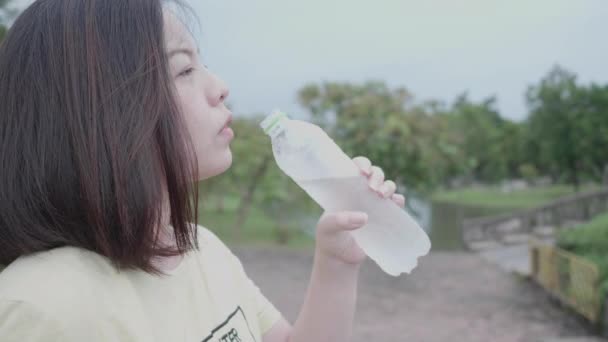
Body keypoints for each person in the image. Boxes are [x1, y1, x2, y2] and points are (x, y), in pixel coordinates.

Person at [0, 0, 406, 341]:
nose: (221, 87)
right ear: (102, 110)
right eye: (184, 70)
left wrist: (337, 261)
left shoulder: (200, 248)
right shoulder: (42, 305)